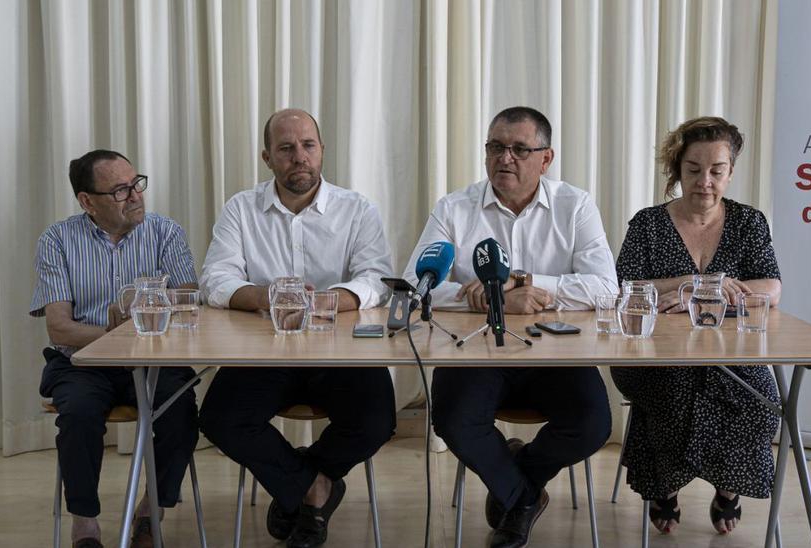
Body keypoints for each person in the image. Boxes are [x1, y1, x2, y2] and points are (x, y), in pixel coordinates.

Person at [406, 106, 616, 548]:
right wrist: (483, 299)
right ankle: (522, 501)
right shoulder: (454, 208)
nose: (506, 158)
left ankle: (515, 482)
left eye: (520, 149)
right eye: (496, 147)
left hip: (556, 354)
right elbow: (414, 288)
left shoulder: (574, 205)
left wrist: (527, 283)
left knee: (593, 423)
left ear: (546, 157)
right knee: (453, 419)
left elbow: (605, 290)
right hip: (477, 350)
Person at [198, 109, 397, 548]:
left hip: (340, 352)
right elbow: (215, 279)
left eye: (308, 146)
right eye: (286, 148)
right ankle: (315, 490)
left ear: (322, 151)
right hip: (263, 352)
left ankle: (302, 481)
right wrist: (267, 297)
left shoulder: (357, 209)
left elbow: (376, 279)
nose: (299, 157)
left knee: (377, 421)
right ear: (268, 157)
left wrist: (329, 300)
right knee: (219, 419)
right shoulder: (240, 208)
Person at [611, 116, 783, 536]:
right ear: (677, 169)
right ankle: (664, 488)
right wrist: (696, 283)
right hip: (656, 354)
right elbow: (623, 287)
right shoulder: (648, 224)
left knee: (762, 404)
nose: (704, 181)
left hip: (731, 354)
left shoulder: (748, 222)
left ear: (730, 172)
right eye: (693, 170)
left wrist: (712, 288)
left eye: (716, 171)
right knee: (671, 396)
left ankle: (728, 490)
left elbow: (771, 285)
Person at [31, 149, 200, 548]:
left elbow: (190, 299)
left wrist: (145, 312)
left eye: (136, 183)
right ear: (87, 201)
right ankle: (85, 523)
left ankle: (149, 510)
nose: (136, 196)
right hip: (82, 364)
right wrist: (119, 334)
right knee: (78, 414)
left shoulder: (166, 232)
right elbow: (60, 327)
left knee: (181, 412)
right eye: (121, 191)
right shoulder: (57, 240)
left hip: (153, 359)